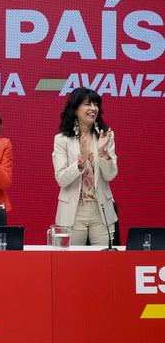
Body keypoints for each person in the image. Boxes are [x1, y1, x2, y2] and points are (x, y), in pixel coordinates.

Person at [52, 87, 117, 246]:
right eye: (87, 104)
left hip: (100, 209)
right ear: (75, 109)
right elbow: (61, 179)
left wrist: (102, 153)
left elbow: (110, 175)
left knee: (105, 261)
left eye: (96, 104)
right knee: (71, 263)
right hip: (73, 211)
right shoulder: (62, 140)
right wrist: (79, 164)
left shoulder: (106, 135)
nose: (93, 108)